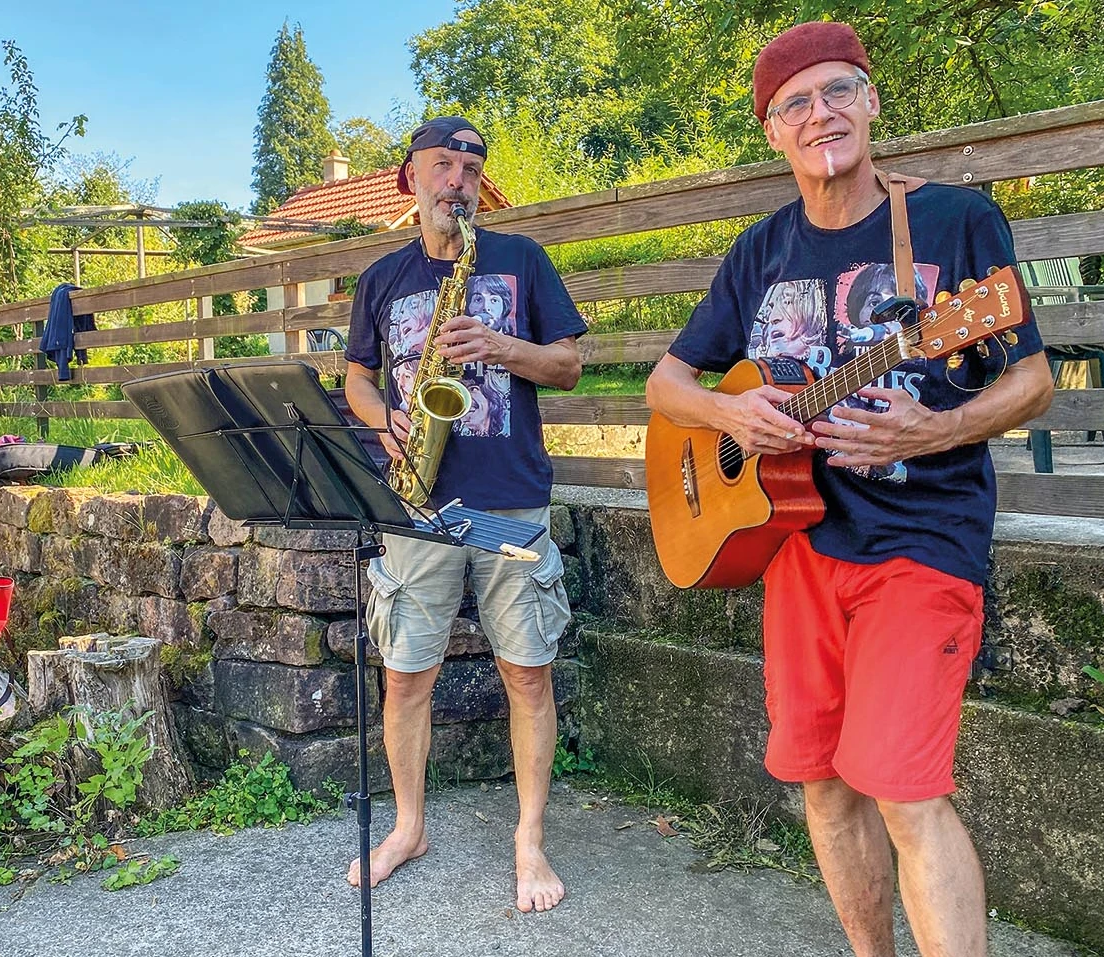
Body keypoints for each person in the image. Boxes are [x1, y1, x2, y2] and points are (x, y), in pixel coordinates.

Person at [645, 22, 1054, 957]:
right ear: (772, 132)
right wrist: (729, 419)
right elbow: (668, 383)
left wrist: (941, 425)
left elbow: (1029, 379)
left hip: (923, 540)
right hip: (797, 543)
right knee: (821, 780)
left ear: (870, 102)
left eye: (838, 92)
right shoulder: (761, 250)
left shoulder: (952, 223)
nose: (819, 114)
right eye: (796, 104)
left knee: (904, 787)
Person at [344, 115, 588, 913]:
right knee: (405, 676)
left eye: (472, 166)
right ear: (407, 179)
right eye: (443, 164)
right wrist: (386, 425)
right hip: (416, 500)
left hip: (510, 496)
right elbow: (356, 377)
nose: (458, 179)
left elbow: (571, 366)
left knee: (527, 672)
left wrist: (501, 347)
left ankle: (529, 838)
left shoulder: (521, 261)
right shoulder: (381, 277)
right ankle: (408, 825)